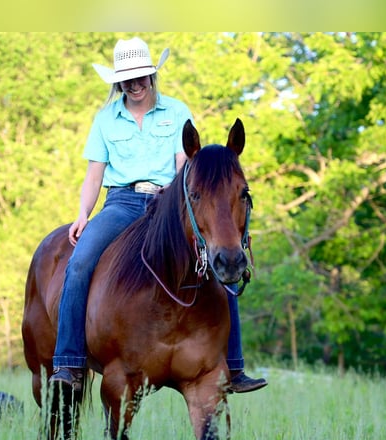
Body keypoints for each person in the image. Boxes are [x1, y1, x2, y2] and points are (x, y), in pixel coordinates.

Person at [51, 37, 266, 394]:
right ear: (118, 82)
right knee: (79, 262)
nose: (135, 86)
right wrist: (82, 213)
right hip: (121, 203)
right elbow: (95, 172)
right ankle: (69, 362)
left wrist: (177, 204)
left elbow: (186, 166)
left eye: (142, 78)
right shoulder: (106, 119)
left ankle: (234, 366)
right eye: (127, 80)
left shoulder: (177, 111)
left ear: (152, 76)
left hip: (168, 204)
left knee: (223, 259)